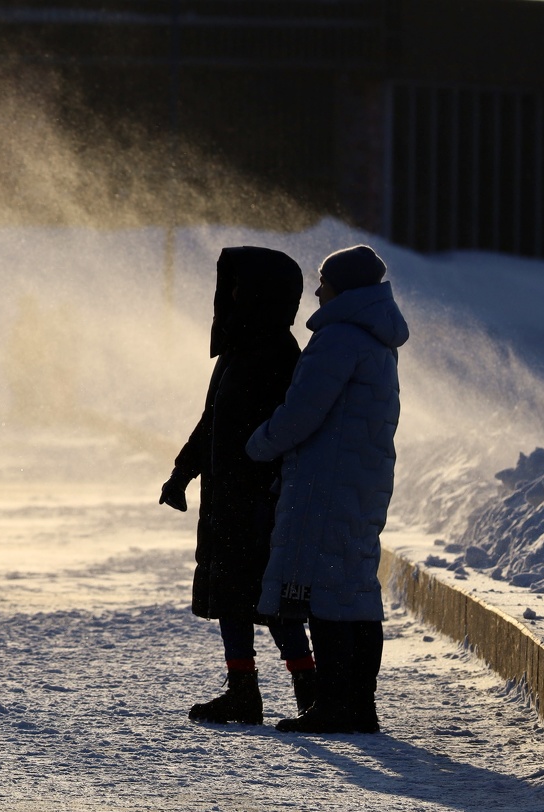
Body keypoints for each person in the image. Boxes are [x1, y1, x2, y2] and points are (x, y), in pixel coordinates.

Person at [245, 244, 408, 734]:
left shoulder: (338, 338)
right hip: (361, 480)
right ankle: (360, 706)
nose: (317, 291)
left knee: (325, 592)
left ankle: (335, 705)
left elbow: (302, 412)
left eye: (324, 282)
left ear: (343, 286)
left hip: (327, 482)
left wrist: (257, 444)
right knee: (355, 588)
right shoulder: (376, 338)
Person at [159, 246, 316, 725]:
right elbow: (210, 423)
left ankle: (309, 689)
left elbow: (290, 429)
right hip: (226, 497)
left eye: (237, 287)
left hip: (261, 500)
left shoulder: (280, 353)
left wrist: (269, 485)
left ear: (260, 293)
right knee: (230, 594)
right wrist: (182, 474)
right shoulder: (236, 349)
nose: (228, 296)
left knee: (271, 597)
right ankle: (243, 689)